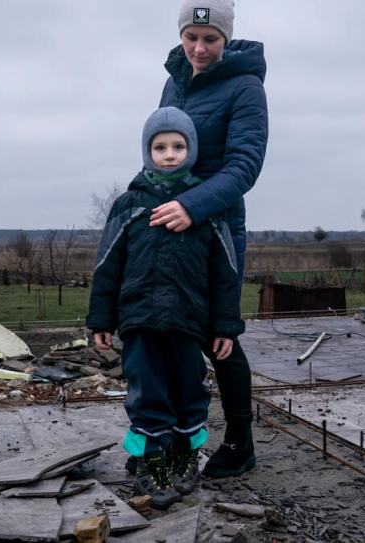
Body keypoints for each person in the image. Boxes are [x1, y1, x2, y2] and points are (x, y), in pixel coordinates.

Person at [87, 106, 245, 509]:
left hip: (189, 320)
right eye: (160, 147)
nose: (169, 154)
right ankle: (151, 461)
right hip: (139, 318)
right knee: (147, 391)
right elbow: (107, 265)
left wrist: (225, 326)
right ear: (147, 151)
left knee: (190, 388)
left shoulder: (205, 206)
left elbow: (225, 272)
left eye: (178, 146)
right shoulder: (130, 204)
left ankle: (184, 453)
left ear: (191, 150)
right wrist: (102, 319)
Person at [148, 0, 269, 479]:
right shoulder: (173, 82)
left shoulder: (246, 87)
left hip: (214, 227)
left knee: (219, 333)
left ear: (226, 38)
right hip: (169, 225)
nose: (199, 48)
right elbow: (159, 148)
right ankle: (177, 434)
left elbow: (245, 166)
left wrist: (192, 206)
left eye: (210, 39)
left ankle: (240, 441)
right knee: (170, 326)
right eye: (191, 37)